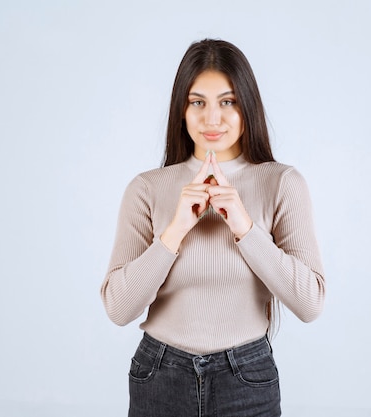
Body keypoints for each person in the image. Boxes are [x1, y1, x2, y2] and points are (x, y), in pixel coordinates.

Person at [100, 38, 325, 417]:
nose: (212, 119)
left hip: (246, 377)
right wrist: (175, 231)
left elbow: (310, 303)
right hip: (160, 375)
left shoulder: (282, 183)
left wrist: (244, 227)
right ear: (182, 110)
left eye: (228, 101)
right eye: (197, 102)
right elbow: (118, 309)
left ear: (247, 106)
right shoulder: (148, 188)